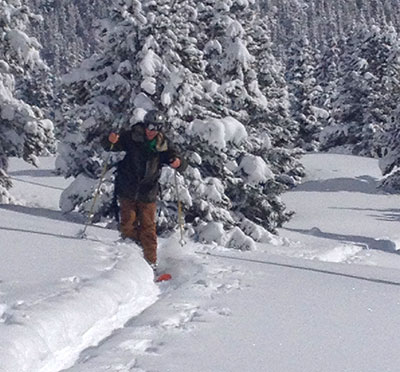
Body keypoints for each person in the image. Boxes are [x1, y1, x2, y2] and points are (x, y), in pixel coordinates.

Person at [104, 111, 186, 269]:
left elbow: (179, 160)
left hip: (148, 192)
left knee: (148, 228)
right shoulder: (132, 137)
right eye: (149, 126)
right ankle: (133, 258)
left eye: (156, 127)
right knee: (128, 224)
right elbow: (112, 145)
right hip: (127, 188)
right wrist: (110, 140)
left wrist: (178, 163)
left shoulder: (163, 144)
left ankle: (151, 262)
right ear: (144, 124)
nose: (151, 130)